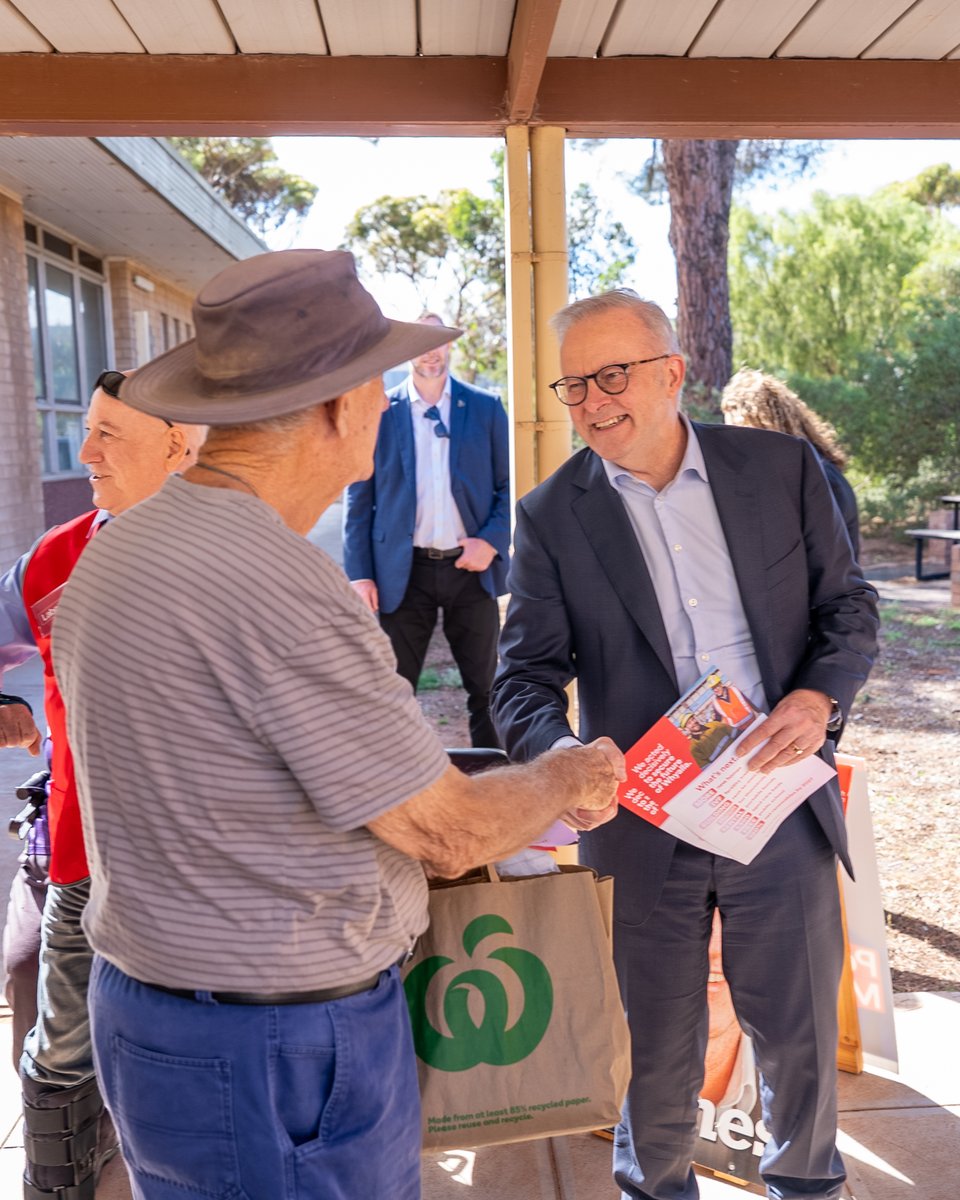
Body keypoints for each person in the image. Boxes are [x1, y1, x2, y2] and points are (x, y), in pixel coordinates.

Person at [51, 249, 623, 1200]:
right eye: (374, 377)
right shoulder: (278, 583)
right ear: (334, 406)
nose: (387, 394)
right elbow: (449, 831)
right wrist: (570, 774)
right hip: (279, 1047)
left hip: (152, 1017)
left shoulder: (117, 553)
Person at [491, 289, 879, 1200]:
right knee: (654, 1054)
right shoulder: (552, 515)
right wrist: (565, 761)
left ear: (671, 372)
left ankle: (807, 1189)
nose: (592, 401)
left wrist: (820, 696)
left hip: (774, 804)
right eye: (574, 384)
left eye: (613, 375)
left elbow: (849, 607)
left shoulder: (779, 470)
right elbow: (523, 678)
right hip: (639, 819)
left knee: (799, 1042)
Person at [0, 369, 204, 1199]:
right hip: (85, 862)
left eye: (109, 434)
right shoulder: (52, 559)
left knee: (197, 1050)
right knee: (59, 1048)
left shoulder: (235, 553)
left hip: (205, 870)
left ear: (178, 445)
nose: (85, 452)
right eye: (87, 429)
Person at [343, 312, 510, 748]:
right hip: (403, 571)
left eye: (438, 341)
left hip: (469, 569)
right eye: (421, 342)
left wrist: (490, 542)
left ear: (450, 345)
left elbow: (507, 485)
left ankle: (492, 777)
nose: (430, 351)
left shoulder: (485, 408)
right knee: (394, 691)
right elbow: (359, 496)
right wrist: (360, 573)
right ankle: (399, 787)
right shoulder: (383, 410)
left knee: (487, 688)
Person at [721, 369, 861, 559]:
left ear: (762, 423)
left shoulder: (819, 476)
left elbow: (827, 565)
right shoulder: (799, 473)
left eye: (738, 429)